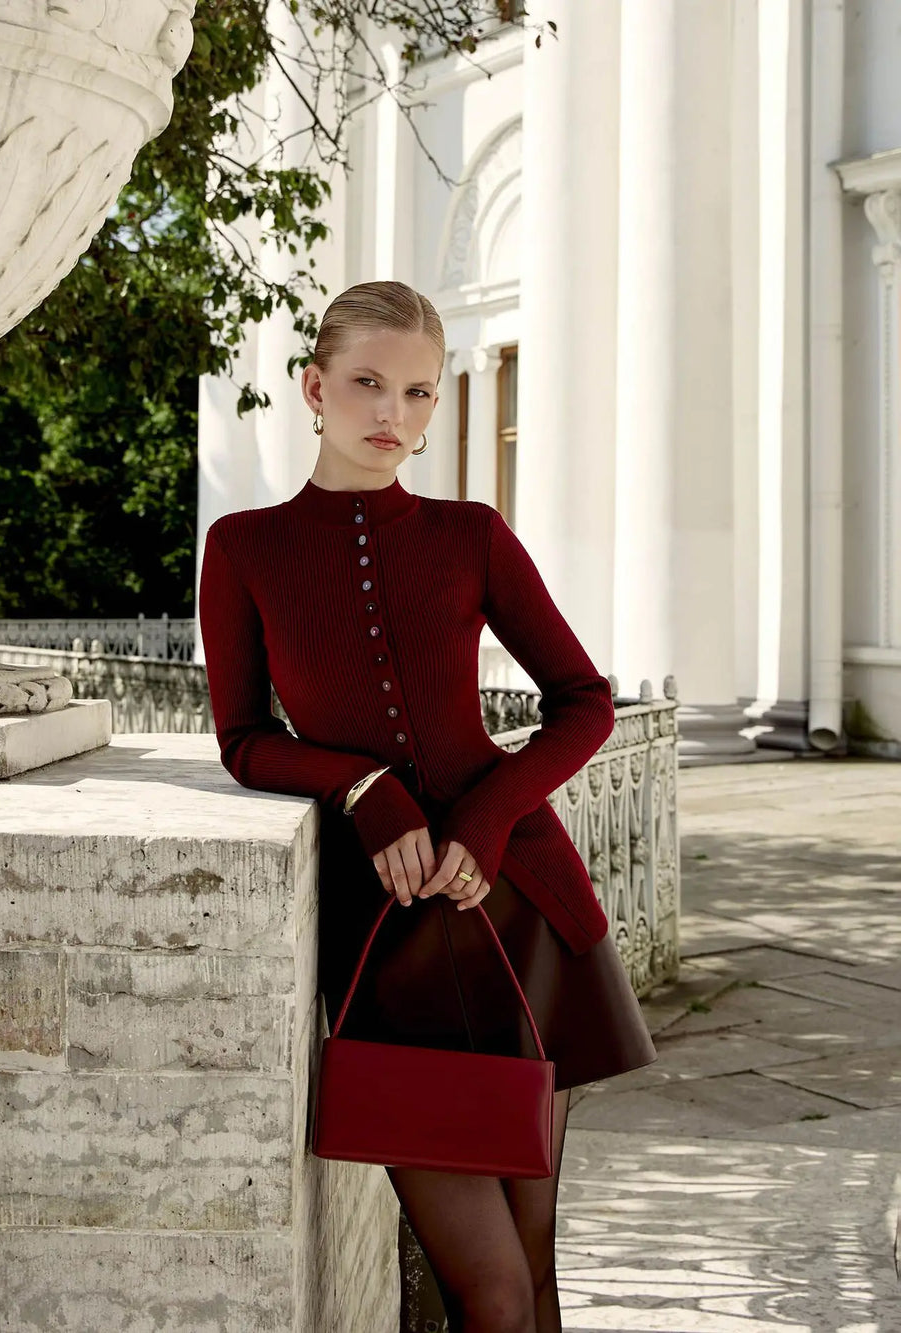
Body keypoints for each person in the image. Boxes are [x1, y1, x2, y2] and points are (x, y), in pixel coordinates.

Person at [198, 280, 658, 1333]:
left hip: (525, 920)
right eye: (365, 384)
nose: (390, 415)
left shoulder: (470, 535)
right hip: (387, 944)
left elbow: (583, 703)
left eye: (415, 391)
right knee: (484, 1286)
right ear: (314, 388)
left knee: (533, 1276)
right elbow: (242, 738)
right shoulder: (247, 548)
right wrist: (363, 788)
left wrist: (490, 816)